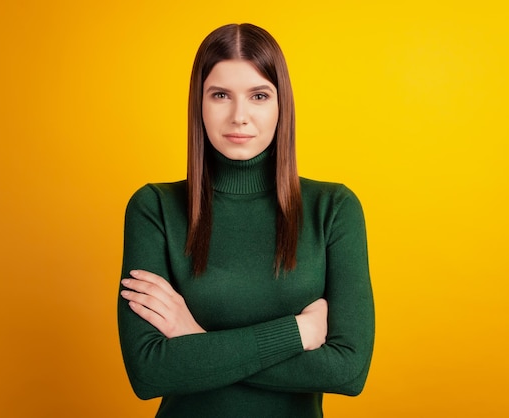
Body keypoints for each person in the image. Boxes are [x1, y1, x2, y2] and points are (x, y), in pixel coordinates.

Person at [118, 23, 374, 418]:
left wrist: (195, 341)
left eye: (258, 95)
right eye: (220, 95)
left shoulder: (333, 208)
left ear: (280, 104)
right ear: (198, 104)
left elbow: (348, 371)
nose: (240, 116)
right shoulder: (154, 208)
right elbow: (149, 372)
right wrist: (297, 333)